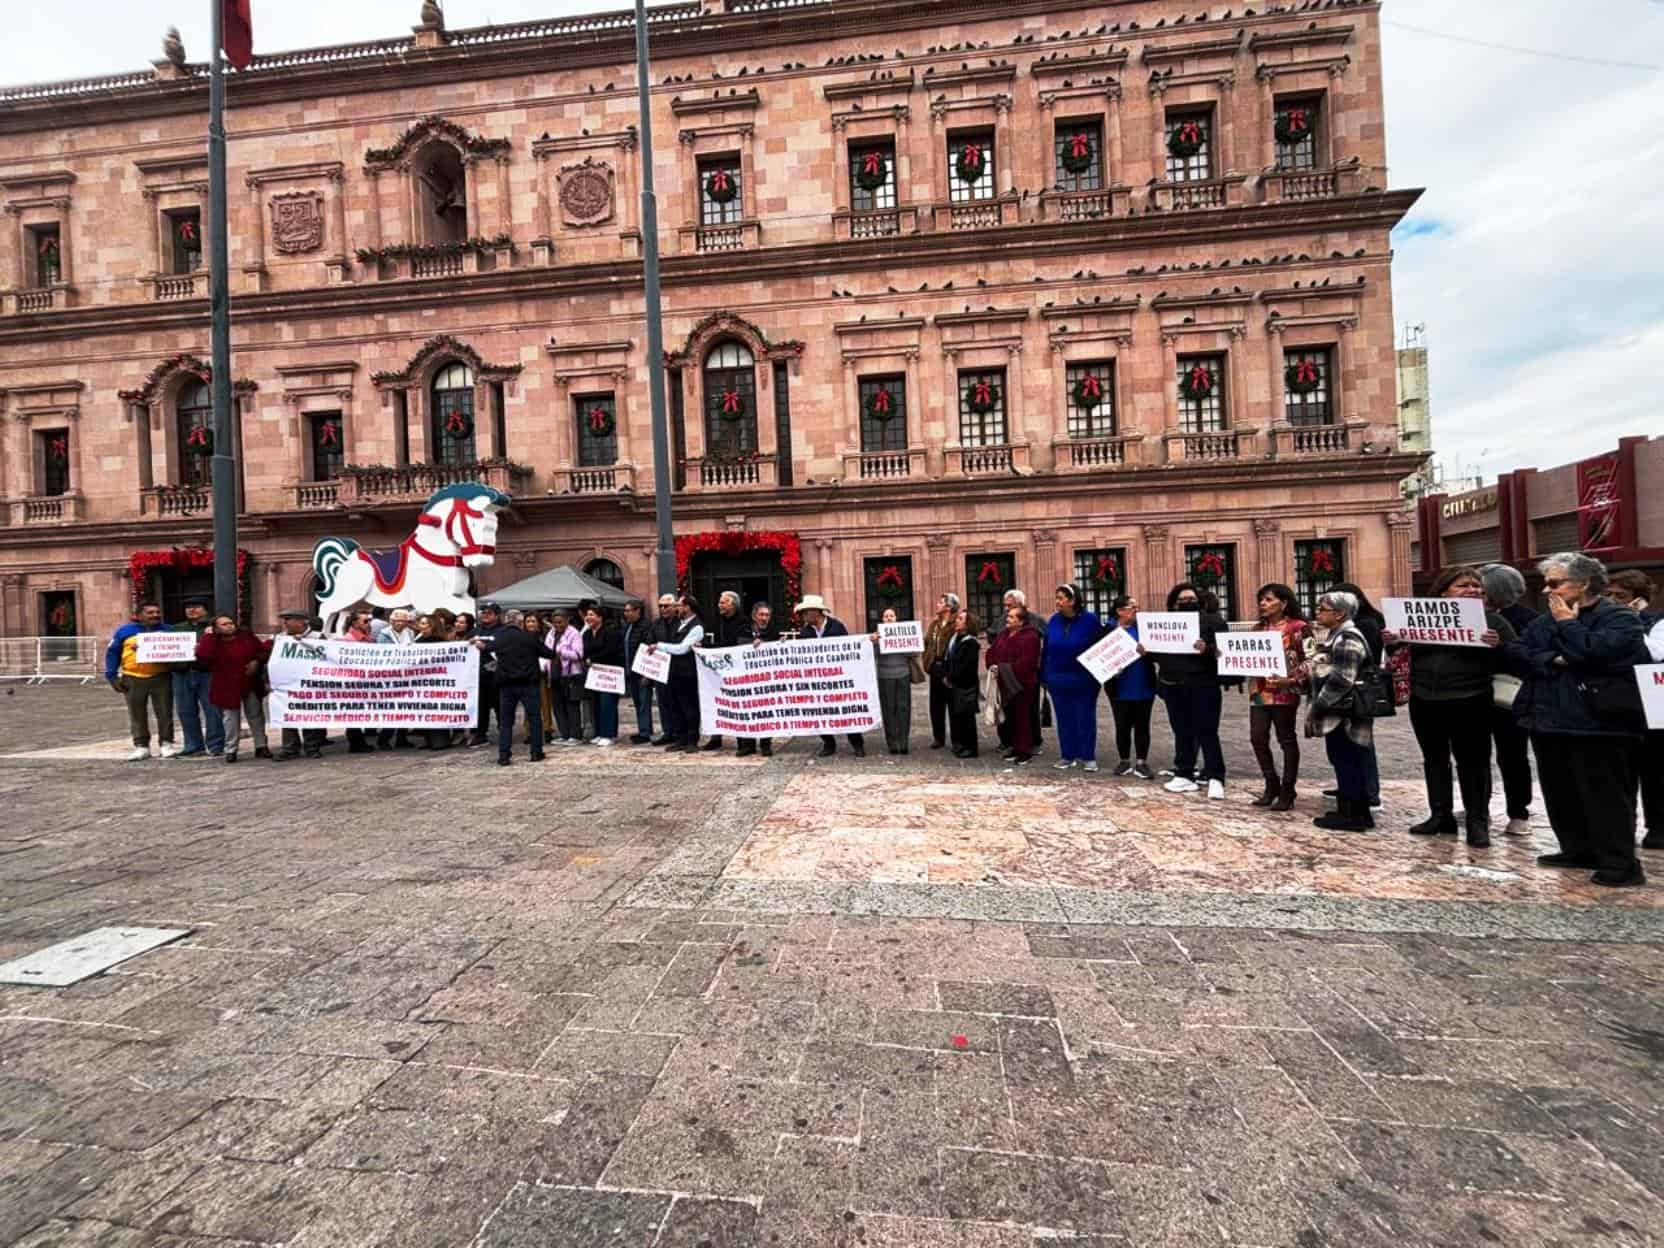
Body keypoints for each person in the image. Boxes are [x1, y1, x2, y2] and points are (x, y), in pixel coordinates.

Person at [1514, 552, 1650, 887]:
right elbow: (1519, 653)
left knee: (1605, 794)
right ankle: (1577, 849)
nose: (1547, 591)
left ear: (1585, 583)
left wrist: (1568, 626)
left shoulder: (1619, 617)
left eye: (1555, 583)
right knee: (1561, 792)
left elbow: (1597, 652)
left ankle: (1620, 862)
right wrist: (1556, 658)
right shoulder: (1543, 621)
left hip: (1601, 722)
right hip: (1549, 718)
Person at [1387, 565, 1515, 848]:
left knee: (1473, 763)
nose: (1473, 590)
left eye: (1476, 586)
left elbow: (1517, 658)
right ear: (1444, 591)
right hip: (1426, 700)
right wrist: (1393, 641)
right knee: (1434, 760)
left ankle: (1477, 820)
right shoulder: (1421, 621)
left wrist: (1498, 646)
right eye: (1464, 585)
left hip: (1471, 699)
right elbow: (1402, 654)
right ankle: (1440, 814)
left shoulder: (1492, 621)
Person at [1148, 582, 1228, 800]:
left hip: (1204, 686)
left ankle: (1215, 776)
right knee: (1182, 732)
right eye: (1181, 601)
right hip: (1173, 686)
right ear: (1174, 604)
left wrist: (1208, 649)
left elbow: (1225, 652)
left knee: (1207, 731)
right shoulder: (1165, 624)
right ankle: (1184, 772)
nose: (1186, 603)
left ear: (1198, 601)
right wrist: (1146, 650)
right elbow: (1159, 655)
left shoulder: (1213, 622)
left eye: (1190, 600)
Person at [1602, 569, 1664, 852]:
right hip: (1613, 704)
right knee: (1617, 773)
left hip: (1651, 706)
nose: (1613, 601)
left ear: (1639, 600)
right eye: (1609, 595)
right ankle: (1621, 827)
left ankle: (1658, 826)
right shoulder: (1597, 623)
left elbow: (1654, 653)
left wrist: (1630, 622)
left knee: (1655, 769)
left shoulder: (1656, 623)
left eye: (1621, 597)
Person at [1306, 591, 1376, 831]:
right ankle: (1352, 810)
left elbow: (1342, 679)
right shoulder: (1337, 635)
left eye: (1323, 608)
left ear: (1339, 613)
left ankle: (1353, 816)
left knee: (1347, 760)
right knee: (1344, 759)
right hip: (1343, 711)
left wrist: (1319, 704)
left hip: (1345, 713)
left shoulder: (1347, 638)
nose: (1318, 612)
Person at [1480, 564, 1537, 837]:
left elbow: (1528, 660)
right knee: (1475, 756)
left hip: (1509, 696)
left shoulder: (1528, 620)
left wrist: (1501, 647)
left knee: (1512, 756)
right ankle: (1478, 807)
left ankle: (1518, 811)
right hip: (1474, 693)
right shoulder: (1469, 616)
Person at [1247, 584, 1312, 812]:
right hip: (1260, 691)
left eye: (1268, 599)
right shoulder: (1257, 629)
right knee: (1257, 737)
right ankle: (1270, 782)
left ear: (1283, 603)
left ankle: (1288, 789)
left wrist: (1292, 680)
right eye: (1261, 600)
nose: (1263, 604)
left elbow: (1312, 659)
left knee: (1286, 739)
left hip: (1285, 692)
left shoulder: (1299, 628)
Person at [473, 607, 558, 766]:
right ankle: (536, 752)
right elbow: (549, 654)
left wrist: (477, 643)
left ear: (506, 621)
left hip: (506, 685)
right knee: (534, 718)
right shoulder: (529, 637)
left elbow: (486, 647)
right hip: (528, 684)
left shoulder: (499, 638)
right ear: (520, 622)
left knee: (506, 722)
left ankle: (504, 755)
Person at [1328, 582, 1386, 810]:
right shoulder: (1343, 627)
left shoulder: (1365, 626)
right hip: (1344, 696)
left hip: (1357, 694)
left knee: (1360, 743)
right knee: (1342, 746)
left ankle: (1369, 792)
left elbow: (1357, 661)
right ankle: (1349, 786)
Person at [105, 601, 179, 762]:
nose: (155, 615)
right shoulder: (125, 631)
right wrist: (111, 676)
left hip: (161, 676)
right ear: (139, 615)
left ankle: (166, 744)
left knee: (165, 712)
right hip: (132, 677)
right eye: (150, 612)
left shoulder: (169, 631)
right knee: (137, 713)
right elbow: (112, 653)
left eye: (157, 612)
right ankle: (141, 746)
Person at [1040, 585, 1103, 772]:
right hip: (1058, 679)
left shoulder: (1090, 620)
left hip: (1084, 679)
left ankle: (1088, 756)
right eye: (1057, 597)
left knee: (1085, 717)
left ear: (1073, 600)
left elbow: (1101, 646)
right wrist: (1044, 675)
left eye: (1061, 598)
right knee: (1064, 718)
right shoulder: (1053, 621)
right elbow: (1047, 650)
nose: (1057, 601)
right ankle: (1067, 755)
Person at [196, 613, 271, 764]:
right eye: (224, 624)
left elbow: (262, 650)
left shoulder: (245, 636)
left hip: (249, 681)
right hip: (226, 684)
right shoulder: (213, 641)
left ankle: (261, 745)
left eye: (230, 623)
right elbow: (203, 655)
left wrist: (256, 662)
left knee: (255, 714)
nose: (229, 626)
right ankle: (231, 749)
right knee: (230, 718)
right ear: (215, 628)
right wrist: (208, 636)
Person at [797, 594, 866, 758]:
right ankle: (828, 743)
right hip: (817, 679)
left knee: (847, 711)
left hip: (838, 678)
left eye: (806, 612)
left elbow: (849, 649)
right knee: (821, 711)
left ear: (816, 612)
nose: (804, 616)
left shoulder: (837, 627)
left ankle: (857, 744)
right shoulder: (805, 632)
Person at [1105, 595, 1157, 780]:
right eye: (1132, 607)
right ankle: (1124, 760)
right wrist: (1110, 670)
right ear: (1120, 611)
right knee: (1122, 725)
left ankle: (1142, 762)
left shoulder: (1144, 630)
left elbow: (1156, 655)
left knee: (1143, 725)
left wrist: (1148, 653)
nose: (1136, 610)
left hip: (1143, 684)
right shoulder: (1108, 630)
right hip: (1119, 687)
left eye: (1137, 606)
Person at [650, 596, 706, 752]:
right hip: (674, 672)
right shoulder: (682, 625)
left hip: (687, 673)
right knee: (676, 707)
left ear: (688, 607)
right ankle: (680, 739)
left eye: (679, 606)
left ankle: (692, 740)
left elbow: (682, 648)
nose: (676, 609)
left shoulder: (697, 627)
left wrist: (659, 646)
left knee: (689, 707)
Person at [988, 605, 1042, 765]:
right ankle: (1014, 746)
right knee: (1010, 717)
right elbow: (992, 652)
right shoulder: (1003, 634)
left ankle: (1025, 750)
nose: (1008, 619)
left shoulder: (1031, 637)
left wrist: (1003, 668)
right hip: (1004, 683)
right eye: (1008, 616)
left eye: (1012, 617)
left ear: (1021, 621)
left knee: (1023, 717)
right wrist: (992, 665)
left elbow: (1027, 662)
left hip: (1022, 684)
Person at [169, 598, 223, 759]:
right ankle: (193, 745)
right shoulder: (176, 629)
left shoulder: (214, 628)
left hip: (206, 673)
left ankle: (216, 745)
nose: (192, 610)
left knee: (212, 710)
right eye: (188, 608)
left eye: (196, 607)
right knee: (185, 711)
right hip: (182, 673)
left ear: (206, 610)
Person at [274, 609, 327, 760]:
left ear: (301, 621)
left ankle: (312, 747)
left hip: (311, 683)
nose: (285, 623)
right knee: (288, 714)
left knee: (309, 715)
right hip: (287, 684)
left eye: (288, 619)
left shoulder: (318, 637)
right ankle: (290, 748)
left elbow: (326, 657)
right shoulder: (280, 639)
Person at [699, 591, 748, 751]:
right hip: (717, 670)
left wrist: (709, 648)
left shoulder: (743, 622)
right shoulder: (716, 621)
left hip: (736, 671)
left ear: (733, 605)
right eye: (720, 602)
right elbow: (710, 638)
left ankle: (743, 741)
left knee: (737, 704)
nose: (719, 605)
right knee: (716, 702)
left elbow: (733, 644)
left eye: (723, 602)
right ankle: (716, 736)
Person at [869, 607, 922, 756]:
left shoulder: (905, 633)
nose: (889, 618)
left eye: (892, 616)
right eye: (886, 616)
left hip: (902, 674)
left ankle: (903, 742)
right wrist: (874, 642)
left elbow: (915, 652)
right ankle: (892, 743)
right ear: (882, 620)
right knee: (888, 709)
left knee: (903, 708)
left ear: (896, 618)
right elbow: (871, 655)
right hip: (885, 676)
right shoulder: (877, 637)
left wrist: (903, 644)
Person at [739, 600, 781, 757]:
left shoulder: (773, 632)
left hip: (766, 679)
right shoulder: (744, 629)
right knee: (747, 710)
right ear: (754, 616)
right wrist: (751, 644)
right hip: (747, 678)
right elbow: (737, 645)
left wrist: (780, 645)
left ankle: (765, 744)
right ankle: (747, 744)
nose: (764, 618)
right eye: (761, 614)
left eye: (767, 615)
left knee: (765, 712)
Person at [923, 594, 962, 750]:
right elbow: (927, 643)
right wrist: (927, 662)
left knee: (953, 705)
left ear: (949, 607)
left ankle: (956, 739)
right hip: (935, 667)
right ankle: (938, 738)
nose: (937, 604)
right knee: (936, 705)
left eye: (941, 602)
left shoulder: (955, 624)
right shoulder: (934, 624)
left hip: (949, 667)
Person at [581, 605, 623, 747]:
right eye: (587, 614)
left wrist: (593, 659)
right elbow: (583, 649)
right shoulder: (586, 634)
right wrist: (587, 658)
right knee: (596, 703)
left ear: (600, 617)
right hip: (594, 674)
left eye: (592, 614)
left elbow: (611, 650)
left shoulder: (610, 631)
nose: (588, 617)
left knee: (608, 703)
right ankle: (599, 732)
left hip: (609, 674)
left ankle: (609, 734)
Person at [946, 608, 982, 758]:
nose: (957, 621)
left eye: (961, 619)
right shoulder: (955, 639)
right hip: (955, 684)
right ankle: (960, 744)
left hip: (966, 685)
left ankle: (971, 747)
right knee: (958, 716)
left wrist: (952, 677)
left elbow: (966, 666)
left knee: (967, 717)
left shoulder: (971, 643)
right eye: (957, 618)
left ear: (968, 624)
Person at [547, 609, 586, 745]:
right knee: (558, 705)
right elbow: (547, 650)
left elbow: (578, 655)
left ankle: (575, 735)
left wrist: (561, 652)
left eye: (560, 622)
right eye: (555, 622)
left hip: (571, 674)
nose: (557, 625)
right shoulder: (551, 633)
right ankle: (564, 734)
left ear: (567, 620)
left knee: (571, 705)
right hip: (555, 673)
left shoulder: (574, 634)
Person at [342, 608, 378, 754]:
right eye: (365, 621)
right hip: (354, 682)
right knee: (353, 713)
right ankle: (355, 742)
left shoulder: (368, 638)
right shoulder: (347, 640)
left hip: (366, 681)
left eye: (370, 620)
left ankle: (359, 741)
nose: (369, 623)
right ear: (355, 623)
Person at [649, 594, 681, 745]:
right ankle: (667, 732)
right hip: (660, 670)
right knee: (663, 703)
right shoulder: (656, 624)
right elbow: (649, 642)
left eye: (666, 606)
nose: (663, 609)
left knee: (677, 703)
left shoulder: (682, 623)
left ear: (675, 607)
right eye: (660, 606)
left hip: (678, 670)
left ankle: (679, 733)